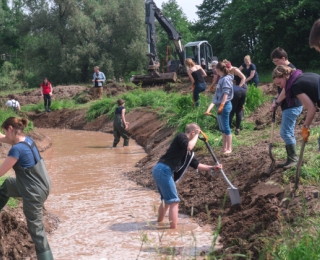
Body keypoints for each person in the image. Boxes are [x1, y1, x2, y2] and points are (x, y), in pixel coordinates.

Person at [0, 117, 53, 260]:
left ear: (10, 129)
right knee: (8, 185)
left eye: (4, 131)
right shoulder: (27, 140)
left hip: (33, 193)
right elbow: (4, 138)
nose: (4, 134)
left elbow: (0, 172)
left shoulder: (16, 150)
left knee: (37, 232)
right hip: (42, 184)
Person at [152, 123, 222, 229]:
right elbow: (189, 146)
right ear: (193, 133)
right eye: (197, 134)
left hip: (160, 170)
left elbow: (197, 165)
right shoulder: (181, 136)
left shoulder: (188, 152)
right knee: (174, 201)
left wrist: (212, 168)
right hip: (163, 169)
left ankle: (159, 224)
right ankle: (173, 231)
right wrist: (197, 135)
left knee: (166, 201)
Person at [270, 48, 303, 168]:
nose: (275, 64)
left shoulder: (291, 70)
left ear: (283, 59)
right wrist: (275, 100)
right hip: (289, 106)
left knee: (285, 132)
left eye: (276, 61)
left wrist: (277, 102)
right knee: (287, 132)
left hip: (293, 105)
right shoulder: (282, 71)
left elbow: (285, 90)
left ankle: (293, 159)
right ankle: (290, 159)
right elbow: (280, 90)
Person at [272, 65, 320, 144]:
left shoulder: (295, 86)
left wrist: (305, 127)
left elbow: (312, 108)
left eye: (279, 83)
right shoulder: (299, 76)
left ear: (284, 76)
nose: (280, 86)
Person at [205, 62, 234, 154]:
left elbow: (226, 93)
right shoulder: (221, 79)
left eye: (215, 70)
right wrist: (208, 110)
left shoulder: (226, 79)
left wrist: (222, 105)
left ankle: (229, 148)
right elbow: (215, 98)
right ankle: (224, 147)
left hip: (225, 106)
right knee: (222, 128)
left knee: (226, 127)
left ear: (217, 70)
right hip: (220, 106)